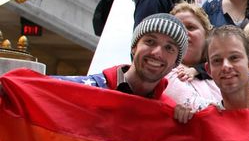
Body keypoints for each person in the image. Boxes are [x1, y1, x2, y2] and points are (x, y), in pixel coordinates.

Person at [55, 13, 187, 100]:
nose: (157, 53)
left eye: (169, 48)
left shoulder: (171, 115)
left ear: (176, 62)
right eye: (150, 41)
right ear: (134, 47)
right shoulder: (86, 90)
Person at [164, 3, 222, 112]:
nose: (184, 33)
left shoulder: (223, 69)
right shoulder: (164, 71)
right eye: (178, 29)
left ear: (207, 35)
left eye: (191, 27)